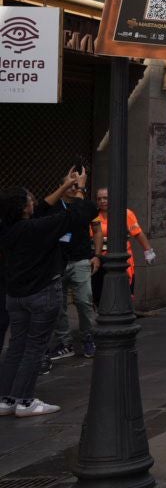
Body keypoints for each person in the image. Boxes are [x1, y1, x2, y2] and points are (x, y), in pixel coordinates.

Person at [0, 168, 83, 417]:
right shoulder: (35, 230)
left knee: (17, 345)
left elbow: (45, 207)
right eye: (30, 201)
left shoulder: (8, 229)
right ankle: (25, 400)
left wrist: (64, 185)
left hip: (15, 296)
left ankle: (6, 399)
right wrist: (79, 189)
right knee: (35, 347)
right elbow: (74, 216)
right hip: (40, 293)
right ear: (23, 208)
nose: (34, 202)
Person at [89, 187, 155, 310]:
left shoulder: (126, 213)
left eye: (106, 198)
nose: (102, 201)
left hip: (122, 258)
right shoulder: (93, 215)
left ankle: (124, 311)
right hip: (98, 257)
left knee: (123, 288)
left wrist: (148, 251)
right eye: (99, 199)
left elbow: (138, 233)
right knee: (98, 289)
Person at [54, 176, 97, 359]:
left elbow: (97, 228)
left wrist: (96, 255)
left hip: (80, 259)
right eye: (68, 185)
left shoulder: (86, 206)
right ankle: (64, 342)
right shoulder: (54, 206)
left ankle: (88, 336)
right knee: (58, 304)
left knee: (84, 300)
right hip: (57, 262)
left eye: (76, 185)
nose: (73, 188)